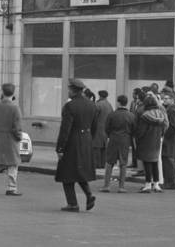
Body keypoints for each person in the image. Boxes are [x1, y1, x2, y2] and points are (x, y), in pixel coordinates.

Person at [55, 79, 99, 211]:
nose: (68, 91)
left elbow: (65, 129)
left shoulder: (70, 106)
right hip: (86, 140)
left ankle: (72, 203)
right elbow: (95, 127)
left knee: (66, 173)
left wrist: (60, 147)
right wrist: (89, 139)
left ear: (74, 90)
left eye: (69, 89)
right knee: (80, 171)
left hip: (72, 142)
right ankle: (89, 194)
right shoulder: (92, 105)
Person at [135, 92, 167, 193]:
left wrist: (137, 137)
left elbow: (141, 131)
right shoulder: (161, 114)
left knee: (147, 162)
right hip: (157, 140)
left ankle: (148, 184)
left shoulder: (145, 116)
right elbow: (165, 126)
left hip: (146, 141)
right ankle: (156, 184)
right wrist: (161, 135)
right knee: (155, 162)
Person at [101, 94, 135, 193]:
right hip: (125, 139)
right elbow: (134, 129)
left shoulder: (112, 114)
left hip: (113, 138)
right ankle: (121, 187)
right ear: (126, 103)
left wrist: (110, 135)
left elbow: (106, 128)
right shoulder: (131, 115)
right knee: (123, 163)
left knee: (109, 162)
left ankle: (106, 185)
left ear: (118, 102)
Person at [160, 89, 175, 189]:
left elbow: (174, 126)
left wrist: (165, 136)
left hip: (170, 139)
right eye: (163, 98)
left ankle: (171, 183)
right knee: (167, 160)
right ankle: (169, 182)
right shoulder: (169, 109)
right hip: (170, 139)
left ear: (172, 99)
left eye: (166, 98)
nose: (164, 100)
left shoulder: (172, 110)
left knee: (168, 160)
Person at [94, 90, 113, 172]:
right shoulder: (109, 105)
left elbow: (94, 117)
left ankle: (97, 164)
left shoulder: (98, 104)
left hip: (98, 128)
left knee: (96, 147)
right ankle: (103, 164)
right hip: (106, 129)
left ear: (100, 96)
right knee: (104, 148)